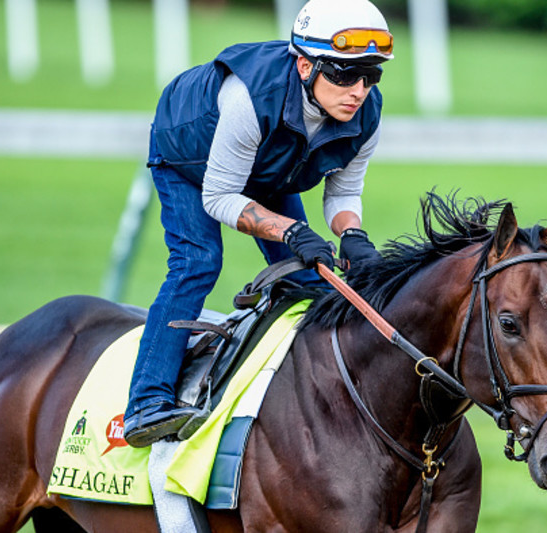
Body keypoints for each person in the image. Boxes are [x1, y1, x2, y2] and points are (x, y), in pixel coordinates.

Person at [123, 0, 394, 448]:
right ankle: (146, 403)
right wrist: (289, 229)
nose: (358, 90)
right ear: (305, 65)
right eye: (344, 74)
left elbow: (343, 193)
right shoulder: (249, 100)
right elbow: (220, 196)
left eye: (371, 74)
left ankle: (319, 402)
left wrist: (352, 235)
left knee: (313, 280)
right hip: (192, 159)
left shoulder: (365, 113)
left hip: (271, 164)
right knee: (198, 262)